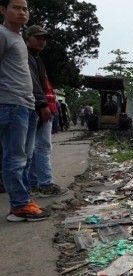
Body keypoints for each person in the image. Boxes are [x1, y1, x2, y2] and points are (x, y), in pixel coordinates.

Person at [0, 0, 50, 221]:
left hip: (25, 105)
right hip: (11, 104)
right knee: (15, 158)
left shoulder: (17, 38)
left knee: (26, 157)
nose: (21, 12)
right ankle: (19, 205)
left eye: (25, 9)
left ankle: (24, 201)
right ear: (2, 9)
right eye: (16, 8)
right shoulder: (2, 35)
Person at [25, 25, 67, 197]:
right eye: (39, 37)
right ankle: (45, 184)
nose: (43, 41)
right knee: (41, 147)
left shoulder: (36, 58)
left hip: (42, 107)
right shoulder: (27, 57)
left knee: (35, 148)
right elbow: (33, 84)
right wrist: (42, 105)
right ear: (28, 38)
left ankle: (34, 182)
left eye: (44, 38)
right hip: (38, 108)